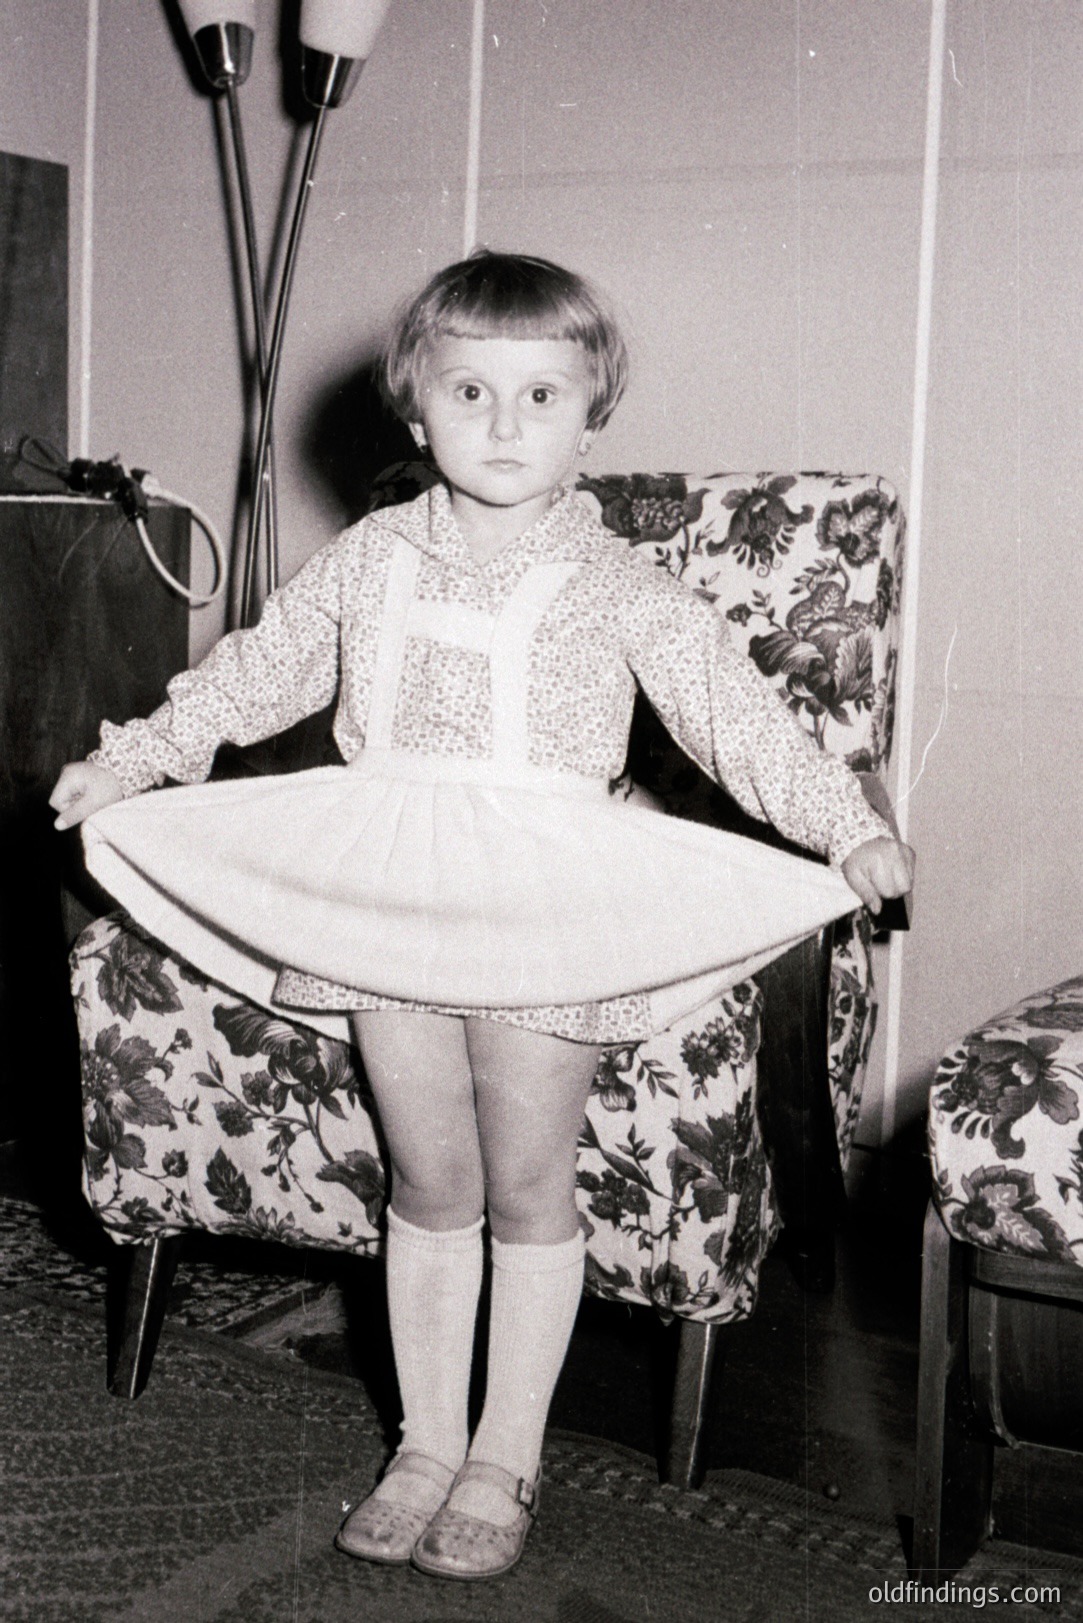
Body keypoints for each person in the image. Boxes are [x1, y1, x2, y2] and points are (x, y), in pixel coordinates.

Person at [50, 250, 914, 1581]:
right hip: (391, 884)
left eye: (541, 397)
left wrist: (843, 825)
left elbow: (736, 716)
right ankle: (424, 1443)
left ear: (592, 415)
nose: (505, 427)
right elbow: (253, 674)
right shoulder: (370, 559)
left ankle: (503, 1455)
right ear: (417, 412)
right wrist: (135, 760)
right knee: (431, 1180)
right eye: (470, 392)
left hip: (549, 901)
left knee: (523, 1185)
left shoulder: (620, 584)